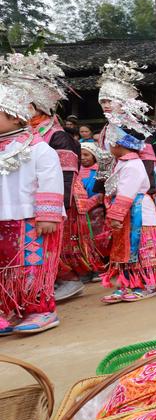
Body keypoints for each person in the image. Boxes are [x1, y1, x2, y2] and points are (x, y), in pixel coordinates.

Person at [5, 53, 84, 303]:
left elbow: (65, 175)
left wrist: (58, 209)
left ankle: (65, 282)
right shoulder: (17, 137)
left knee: (47, 249)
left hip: (53, 202)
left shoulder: (55, 136)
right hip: (22, 204)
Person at [0, 80, 65, 334]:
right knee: (6, 268)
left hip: (30, 219)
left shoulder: (39, 149)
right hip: (3, 219)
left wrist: (47, 215)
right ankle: (13, 310)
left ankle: (42, 310)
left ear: (16, 117)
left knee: (32, 266)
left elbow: (50, 180)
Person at [100, 99, 156, 303]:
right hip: (130, 213)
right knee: (128, 248)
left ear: (119, 144)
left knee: (141, 248)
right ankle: (130, 282)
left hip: (138, 211)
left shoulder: (132, 165)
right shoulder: (124, 163)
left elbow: (126, 194)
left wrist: (115, 215)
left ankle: (148, 283)